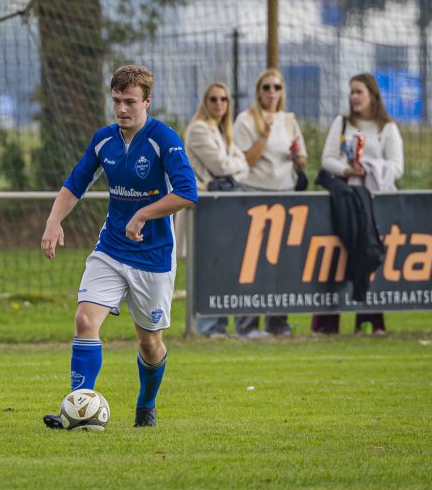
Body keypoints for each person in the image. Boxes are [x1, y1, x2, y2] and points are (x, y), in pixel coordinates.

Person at [40, 65, 198, 428]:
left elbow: (187, 193)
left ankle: (146, 403)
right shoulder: (104, 140)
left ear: (147, 101)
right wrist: (53, 221)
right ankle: (78, 409)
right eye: (116, 101)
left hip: (153, 256)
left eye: (130, 101)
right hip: (111, 248)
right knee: (84, 320)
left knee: (149, 344)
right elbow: (74, 184)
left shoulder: (164, 138)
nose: (122, 109)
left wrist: (143, 214)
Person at [313, 72, 404, 335]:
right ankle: (327, 324)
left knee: (369, 255)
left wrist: (370, 169)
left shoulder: (387, 128)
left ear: (372, 95)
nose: (354, 97)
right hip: (346, 203)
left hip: (374, 203)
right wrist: (347, 171)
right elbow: (328, 159)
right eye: (351, 92)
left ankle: (370, 321)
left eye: (359, 92)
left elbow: (397, 167)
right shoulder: (342, 123)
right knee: (337, 259)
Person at [182, 82, 264, 339]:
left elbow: (242, 167)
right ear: (205, 102)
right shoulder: (198, 129)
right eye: (213, 99)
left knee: (225, 266)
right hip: (204, 207)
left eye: (223, 100)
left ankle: (219, 326)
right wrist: (236, 165)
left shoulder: (221, 131)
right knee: (208, 266)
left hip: (222, 208)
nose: (219, 104)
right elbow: (221, 167)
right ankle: (208, 327)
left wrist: (236, 165)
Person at [233, 68, 308, 336]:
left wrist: (299, 158)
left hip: (286, 194)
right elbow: (244, 162)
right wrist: (263, 136)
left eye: (276, 87)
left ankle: (277, 323)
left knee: (282, 262)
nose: (272, 92)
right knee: (252, 263)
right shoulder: (245, 120)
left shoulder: (288, 120)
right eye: (267, 87)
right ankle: (247, 325)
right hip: (255, 195)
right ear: (258, 91)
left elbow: (302, 158)